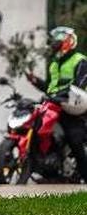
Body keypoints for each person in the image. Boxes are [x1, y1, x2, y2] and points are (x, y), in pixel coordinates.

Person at [26, 26, 87, 182]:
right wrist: (35, 81)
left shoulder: (80, 60)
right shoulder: (54, 64)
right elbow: (50, 88)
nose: (55, 42)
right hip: (53, 105)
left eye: (59, 39)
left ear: (69, 41)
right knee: (38, 129)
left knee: (75, 139)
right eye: (55, 39)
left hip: (73, 107)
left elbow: (79, 84)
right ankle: (46, 168)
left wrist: (62, 94)